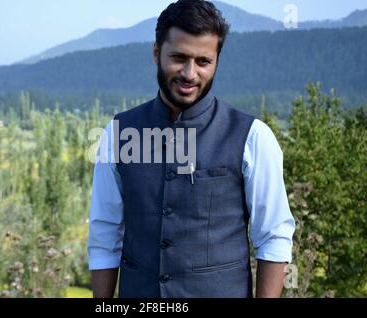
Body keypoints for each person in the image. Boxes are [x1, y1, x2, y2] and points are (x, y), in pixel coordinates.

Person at [87, 0, 295, 298]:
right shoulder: (117, 134)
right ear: (156, 53)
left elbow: (274, 237)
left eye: (203, 61)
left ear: (217, 61)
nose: (189, 73)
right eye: (179, 57)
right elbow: (105, 235)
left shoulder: (253, 136)